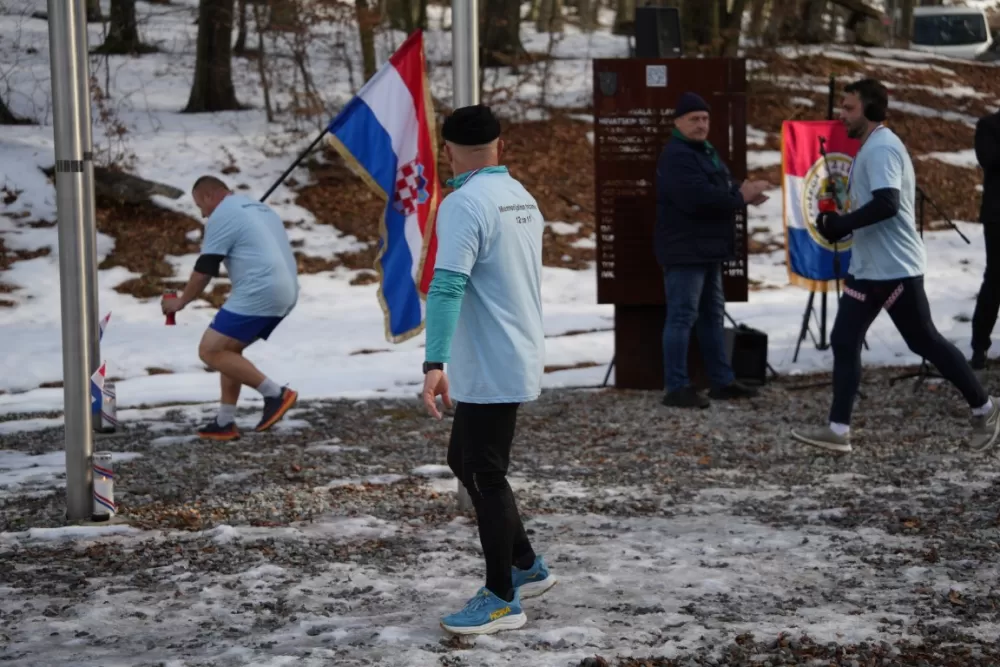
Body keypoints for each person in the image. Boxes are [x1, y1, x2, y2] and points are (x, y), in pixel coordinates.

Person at [790, 78, 999, 454]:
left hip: (896, 269)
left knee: (925, 341)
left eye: (849, 108)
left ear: (870, 110)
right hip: (866, 269)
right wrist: (838, 222)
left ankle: (985, 407)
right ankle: (838, 430)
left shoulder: (883, 147)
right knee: (843, 340)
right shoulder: (868, 147)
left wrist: (843, 224)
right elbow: (870, 206)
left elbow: (887, 203)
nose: (842, 116)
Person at [421, 104, 556, 636]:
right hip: (510, 350)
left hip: (493, 358)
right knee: (465, 459)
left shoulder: (463, 203)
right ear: (500, 146)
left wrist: (434, 360)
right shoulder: (518, 196)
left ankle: (502, 596)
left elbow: (448, 284)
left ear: (447, 149)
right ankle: (524, 563)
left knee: (484, 470)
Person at [655, 91, 772, 409]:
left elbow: (716, 188)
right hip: (686, 251)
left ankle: (721, 381)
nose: (701, 124)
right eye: (694, 119)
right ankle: (676, 386)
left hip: (707, 249)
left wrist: (741, 190)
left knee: (711, 316)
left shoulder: (703, 151)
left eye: (705, 118)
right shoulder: (677, 155)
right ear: (678, 122)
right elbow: (698, 198)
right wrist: (740, 197)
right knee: (682, 317)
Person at [161, 176, 300, 440]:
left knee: (210, 350)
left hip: (261, 289)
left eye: (199, 206)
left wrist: (179, 302)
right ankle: (225, 422)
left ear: (208, 197)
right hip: (285, 288)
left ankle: (275, 394)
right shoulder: (257, 208)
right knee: (229, 351)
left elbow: (205, 269)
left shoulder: (223, 214)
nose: (202, 215)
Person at [970, 108, 999, 369]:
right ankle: (979, 344)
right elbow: (989, 158)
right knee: (996, 280)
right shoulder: (989, 125)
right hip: (998, 215)